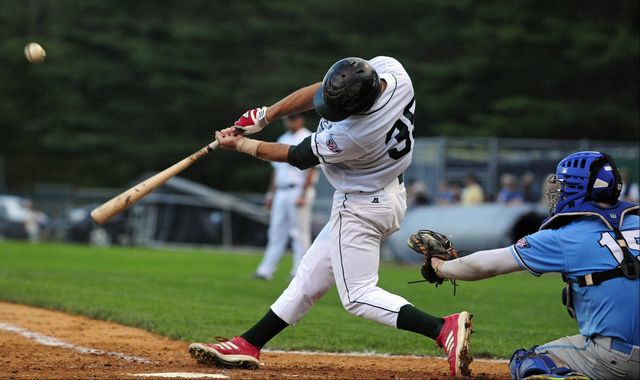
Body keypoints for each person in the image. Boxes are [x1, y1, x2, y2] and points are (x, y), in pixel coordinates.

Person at [189, 56, 473, 377]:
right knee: (308, 280)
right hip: (386, 194)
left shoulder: (356, 135)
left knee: (357, 296)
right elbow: (321, 92)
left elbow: (296, 155)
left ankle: (441, 328)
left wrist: (242, 144)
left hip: (360, 207)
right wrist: (265, 115)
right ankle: (249, 343)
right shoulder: (394, 73)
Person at [424, 151, 639, 379]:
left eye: (564, 185)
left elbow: (486, 265)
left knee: (529, 361)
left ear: (578, 188)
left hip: (615, 358)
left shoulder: (563, 237)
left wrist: (440, 267)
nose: (559, 191)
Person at [254, 114, 316, 280]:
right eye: (287, 119)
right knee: (275, 231)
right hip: (281, 191)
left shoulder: (308, 137)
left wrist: (303, 194)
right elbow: (277, 171)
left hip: (298, 190)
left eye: (292, 119)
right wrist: (270, 195)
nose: (289, 122)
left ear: (300, 119)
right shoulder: (282, 138)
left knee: (299, 233)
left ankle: (300, 271)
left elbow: (312, 169)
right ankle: (265, 270)